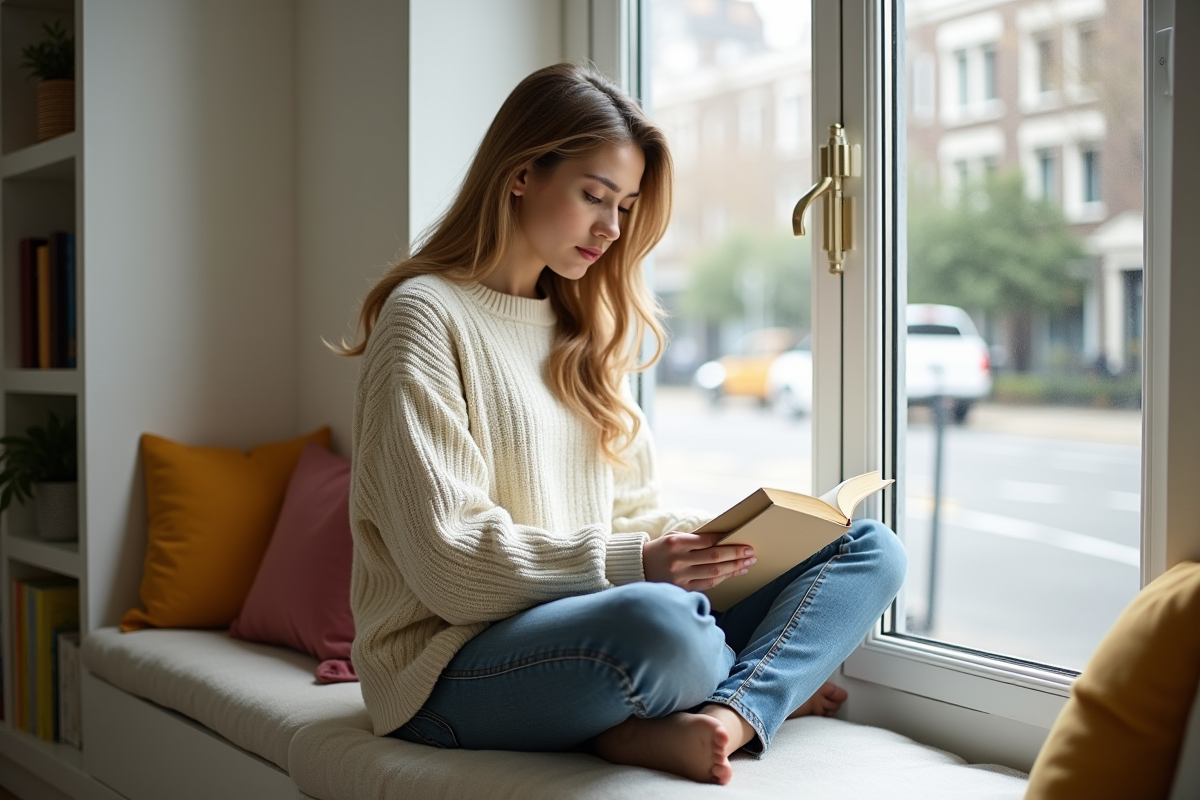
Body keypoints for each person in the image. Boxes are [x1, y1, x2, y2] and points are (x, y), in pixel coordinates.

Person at [339, 62, 907, 785]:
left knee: (866, 548)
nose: (612, 228)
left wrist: (730, 542)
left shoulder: (584, 327)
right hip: (448, 669)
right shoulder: (424, 316)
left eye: (627, 207)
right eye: (594, 197)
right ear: (521, 175)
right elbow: (450, 566)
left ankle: (727, 718)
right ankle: (728, 699)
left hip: (589, 630)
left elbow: (631, 513)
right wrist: (640, 564)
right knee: (665, 627)